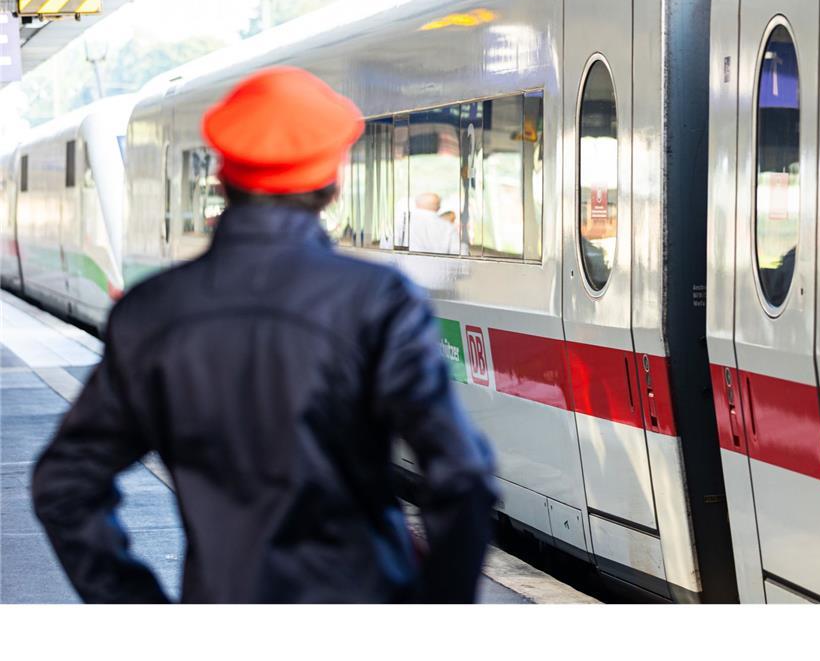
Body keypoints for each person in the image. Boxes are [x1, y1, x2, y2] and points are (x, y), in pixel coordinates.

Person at [31, 66, 499, 603]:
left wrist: (138, 607)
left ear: (222, 179)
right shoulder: (378, 302)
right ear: (331, 184)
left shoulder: (151, 312)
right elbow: (463, 477)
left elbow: (64, 484)